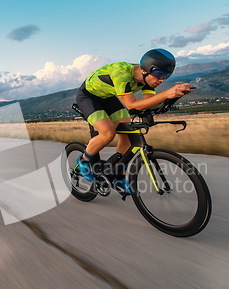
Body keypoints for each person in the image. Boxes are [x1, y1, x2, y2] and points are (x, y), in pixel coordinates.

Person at [75, 48, 193, 192]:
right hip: (89, 97)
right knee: (107, 133)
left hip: (108, 98)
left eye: (166, 76)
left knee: (129, 137)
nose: (161, 80)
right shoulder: (122, 73)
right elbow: (131, 105)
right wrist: (167, 93)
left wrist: (174, 96)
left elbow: (149, 102)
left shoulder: (149, 80)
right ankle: (84, 160)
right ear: (146, 70)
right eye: (159, 74)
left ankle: (118, 174)